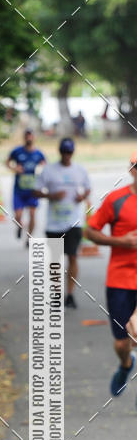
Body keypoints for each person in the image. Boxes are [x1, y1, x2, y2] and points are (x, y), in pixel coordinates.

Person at [85, 152, 137, 397]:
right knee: (121, 341)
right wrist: (120, 241)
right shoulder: (116, 200)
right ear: (131, 170)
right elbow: (91, 231)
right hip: (120, 279)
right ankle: (126, 364)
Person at [32, 138, 91, 308]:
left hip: (74, 222)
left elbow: (88, 188)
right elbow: (35, 191)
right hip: (53, 223)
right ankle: (57, 293)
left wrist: (82, 196)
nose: (67, 155)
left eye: (69, 152)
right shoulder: (48, 171)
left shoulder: (80, 170)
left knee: (72, 256)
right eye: (64, 152)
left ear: (73, 152)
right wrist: (51, 196)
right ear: (60, 152)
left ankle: (70, 294)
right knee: (56, 260)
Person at [6, 129, 46, 245]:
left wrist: (41, 170)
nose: (29, 138)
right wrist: (14, 168)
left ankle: (29, 237)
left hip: (32, 190)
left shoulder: (38, 153)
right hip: (19, 190)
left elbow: (45, 166)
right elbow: (7, 162)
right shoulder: (17, 151)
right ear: (24, 138)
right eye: (27, 136)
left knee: (33, 214)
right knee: (18, 216)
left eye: (31, 136)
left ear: (34, 138)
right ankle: (19, 226)